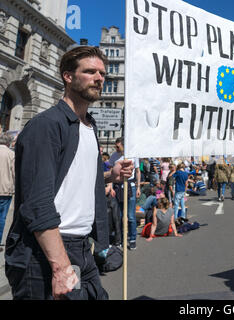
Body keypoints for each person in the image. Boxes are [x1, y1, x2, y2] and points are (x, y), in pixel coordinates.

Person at [4, 46, 133, 300]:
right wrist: (60, 267)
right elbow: (37, 203)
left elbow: (69, 180)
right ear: (68, 76)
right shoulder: (47, 126)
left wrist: (111, 176)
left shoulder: (88, 126)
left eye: (103, 73)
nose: (99, 78)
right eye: (90, 72)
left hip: (82, 248)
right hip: (45, 252)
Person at [111, 137, 141, 251]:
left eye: (118, 146)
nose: (116, 148)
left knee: (130, 216)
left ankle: (132, 239)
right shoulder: (114, 156)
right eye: (115, 146)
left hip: (130, 186)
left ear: (124, 145)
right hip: (118, 187)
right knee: (119, 216)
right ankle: (121, 238)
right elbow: (110, 171)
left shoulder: (133, 155)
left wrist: (138, 188)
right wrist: (111, 186)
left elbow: (138, 172)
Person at [0, 133, 14, 249]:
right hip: (5, 190)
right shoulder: (11, 154)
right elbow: (15, 173)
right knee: (1, 217)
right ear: (8, 142)